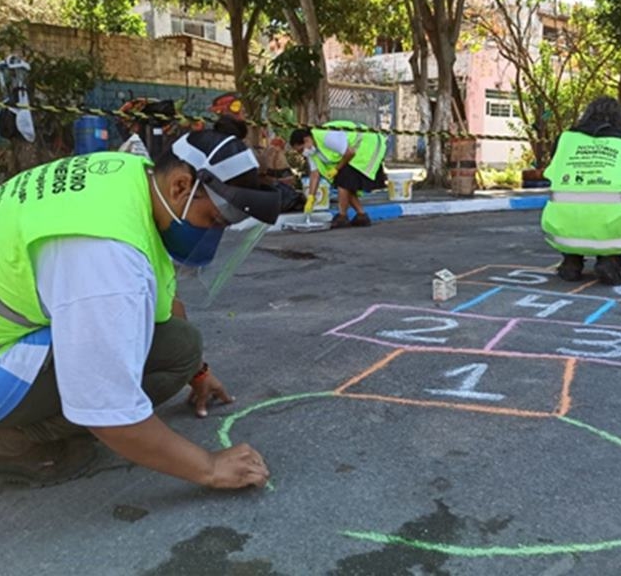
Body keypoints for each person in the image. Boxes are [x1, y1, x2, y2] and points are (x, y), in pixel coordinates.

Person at [0, 130, 281, 488]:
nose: (214, 233)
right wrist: (209, 467)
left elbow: (163, 292)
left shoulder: (133, 177)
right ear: (181, 186)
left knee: (181, 347)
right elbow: (105, 406)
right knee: (107, 388)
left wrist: (198, 372)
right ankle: (14, 440)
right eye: (213, 219)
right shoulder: (104, 255)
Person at [541, 96, 621, 285]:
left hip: (559, 228)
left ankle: (571, 259)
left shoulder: (564, 140)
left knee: (572, 212)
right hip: (611, 221)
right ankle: (614, 261)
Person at [289, 120, 387, 228]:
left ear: (306, 140)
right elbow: (314, 174)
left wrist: (336, 169)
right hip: (353, 153)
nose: (303, 153)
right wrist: (311, 197)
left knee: (343, 181)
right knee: (345, 183)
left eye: (301, 149)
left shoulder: (326, 136)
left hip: (367, 145)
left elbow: (349, 152)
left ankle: (342, 217)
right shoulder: (312, 151)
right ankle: (361, 215)